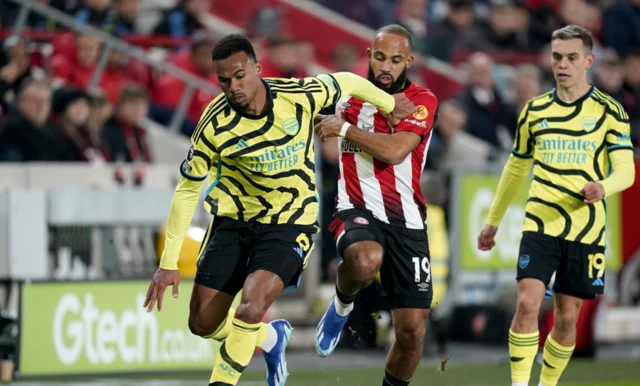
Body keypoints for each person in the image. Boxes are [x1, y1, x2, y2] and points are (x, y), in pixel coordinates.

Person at [143, 33, 417, 386]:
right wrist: (168, 262)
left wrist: (389, 105)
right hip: (233, 221)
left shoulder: (297, 96)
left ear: (257, 68)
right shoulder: (214, 123)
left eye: (240, 76)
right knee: (202, 324)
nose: (233, 87)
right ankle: (271, 339)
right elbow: (187, 189)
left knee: (250, 308)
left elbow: (348, 81)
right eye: (224, 80)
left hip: (290, 221)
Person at [477, 25, 636, 386]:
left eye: (571, 58)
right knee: (528, 303)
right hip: (541, 221)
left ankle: (547, 384)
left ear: (588, 61)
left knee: (567, 317)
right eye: (557, 57)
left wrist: (603, 186)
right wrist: (493, 221)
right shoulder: (534, 111)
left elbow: (626, 171)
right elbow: (516, 167)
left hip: (586, 227)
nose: (562, 64)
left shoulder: (610, 111)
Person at [313, 24, 439, 386]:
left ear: (409, 61)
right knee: (365, 260)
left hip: (407, 218)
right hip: (355, 205)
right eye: (380, 57)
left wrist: (344, 130)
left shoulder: (422, 100)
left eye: (396, 60)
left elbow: (397, 150)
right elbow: (299, 103)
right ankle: (340, 306)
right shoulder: (344, 95)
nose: (386, 66)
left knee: (412, 332)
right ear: (368, 56)